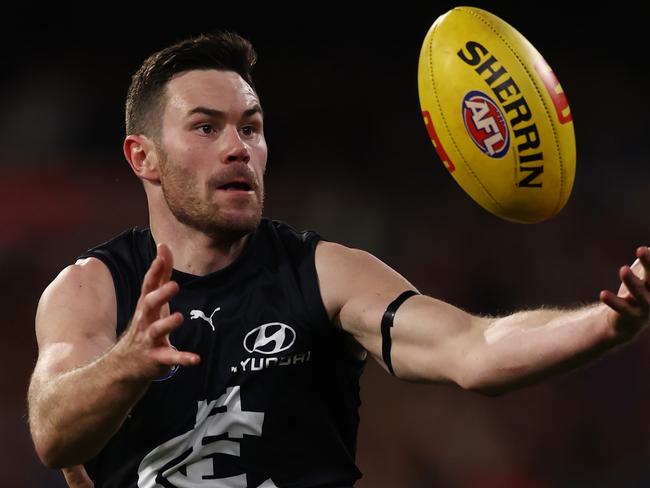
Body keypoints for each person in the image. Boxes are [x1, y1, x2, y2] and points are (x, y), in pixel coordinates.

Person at [27, 31, 650, 488]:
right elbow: (53, 435)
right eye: (206, 127)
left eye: (251, 127)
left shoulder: (324, 274)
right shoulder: (94, 290)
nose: (239, 148)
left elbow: (474, 348)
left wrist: (605, 324)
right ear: (143, 158)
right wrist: (127, 364)